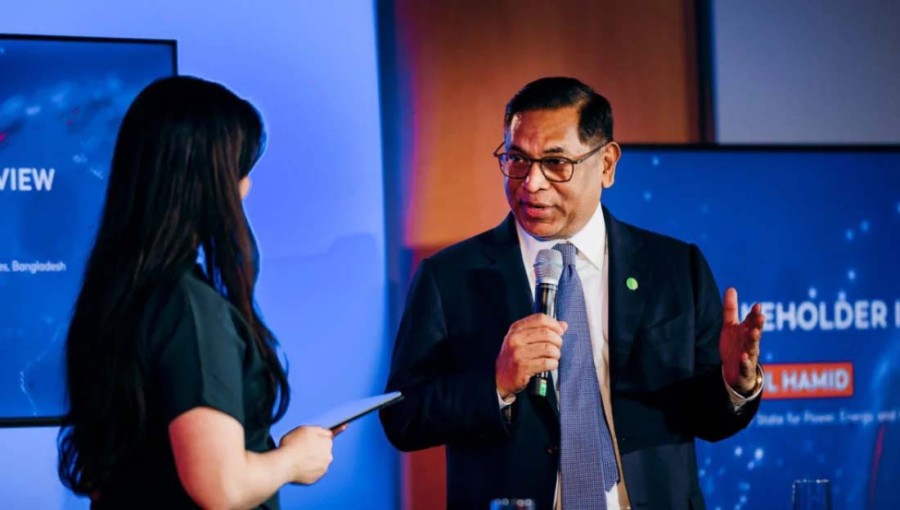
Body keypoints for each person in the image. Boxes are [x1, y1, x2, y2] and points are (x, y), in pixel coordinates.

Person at [380, 77, 766, 510]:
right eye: (516, 159)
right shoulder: (449, 276)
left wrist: (735, 383)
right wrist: (496, 383)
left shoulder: (675, 268)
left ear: (606, 165)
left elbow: (708, 419)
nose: (532, 183)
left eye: (556, 163)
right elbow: (403, 417)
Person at [58, 76, 338, 509]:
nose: (245, 188)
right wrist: (293, 459)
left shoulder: (116, 297)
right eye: (239, 171)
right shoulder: (188, 305)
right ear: (207, 180)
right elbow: (220, 487)